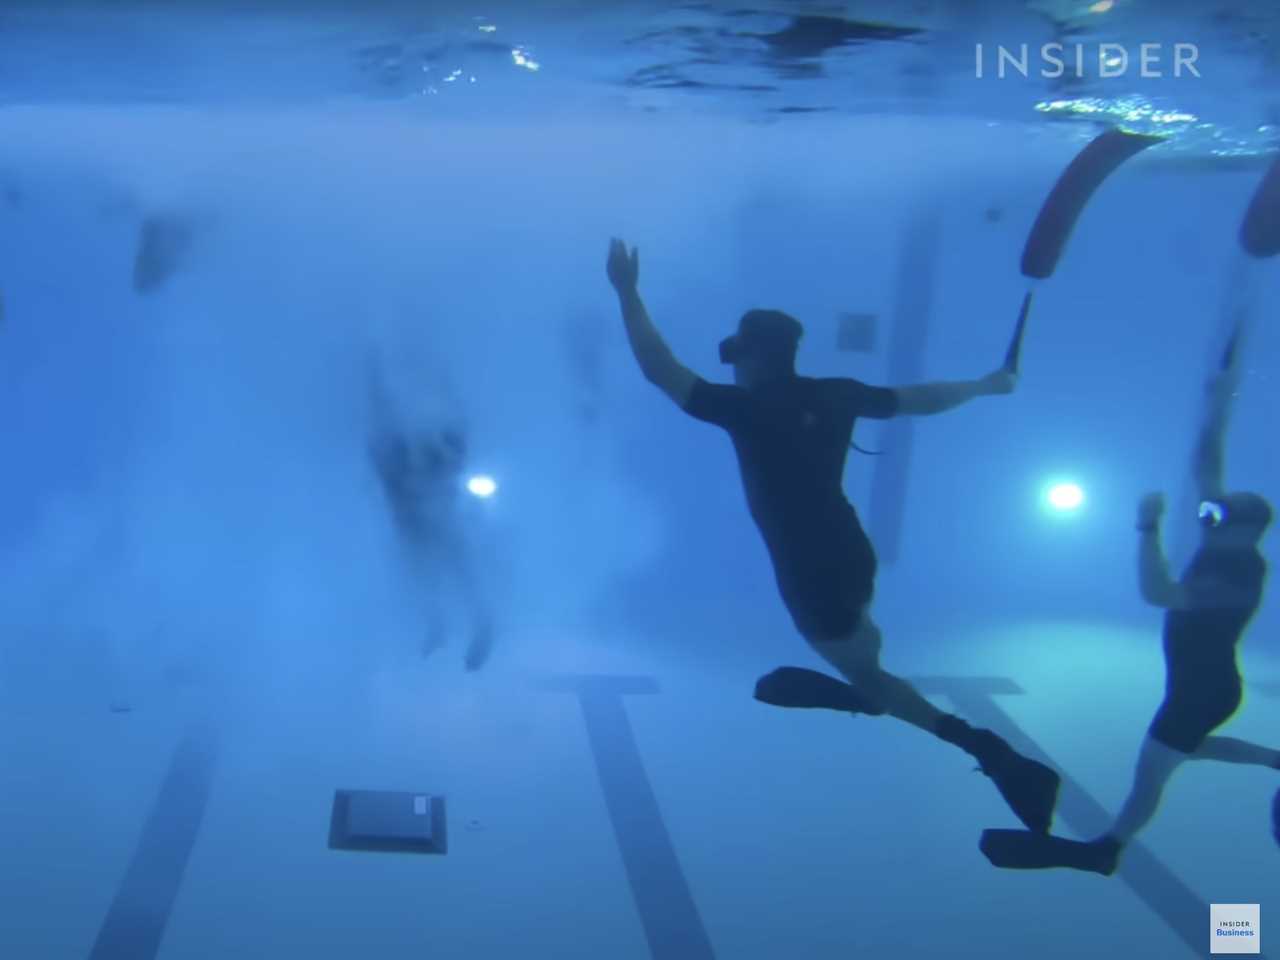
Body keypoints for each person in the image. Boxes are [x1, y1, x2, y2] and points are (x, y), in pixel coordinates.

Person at [606, 237, 1061, 833]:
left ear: (753, 357)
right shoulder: (836, 393)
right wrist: (985, 384)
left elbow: (658, 366)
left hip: (807, 569)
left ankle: (987, 751)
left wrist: (627, 290)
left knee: (869, 677)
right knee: (863, 651)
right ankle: (870, 694)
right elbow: (921, 399)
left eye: (738, 357)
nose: (734, 367)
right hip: (851, 550)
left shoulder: (743, 408)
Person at [981, 349, 1278, 874]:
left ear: (1245, 530)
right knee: (1186, 750)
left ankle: (1107, 848)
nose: (1210, 513)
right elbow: (1208, 466)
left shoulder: (1237, 574)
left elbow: (1158, 593)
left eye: (1222, 514)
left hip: (1200, 691)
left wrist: (1147, 527)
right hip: (1206, 687)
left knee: (1152, 773)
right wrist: (1219, 399)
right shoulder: (1225, 539)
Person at [366, 358, 494, 671]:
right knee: (423, 569)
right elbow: (381, 463)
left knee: (455, 567)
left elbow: (457, 450)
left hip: (436, 511)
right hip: (413, 513)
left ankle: (480, 624)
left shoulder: (435, 429)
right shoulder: (392, 437)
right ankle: (439, 624)